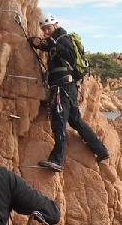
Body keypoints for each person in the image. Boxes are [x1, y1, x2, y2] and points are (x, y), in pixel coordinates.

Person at [29, 14, 109, 172]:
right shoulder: (55, 40)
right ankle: (101, 150)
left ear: (56, 25)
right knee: (76, 121)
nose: (46, 31)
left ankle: (57, 160)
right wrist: (35, 41)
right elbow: (44, 45)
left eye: (48, 28)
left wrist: (53, 44)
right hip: (68, 87)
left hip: (62, 87)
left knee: (59, 123)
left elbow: (69, 55)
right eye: (44, 29)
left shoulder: (62, 40)